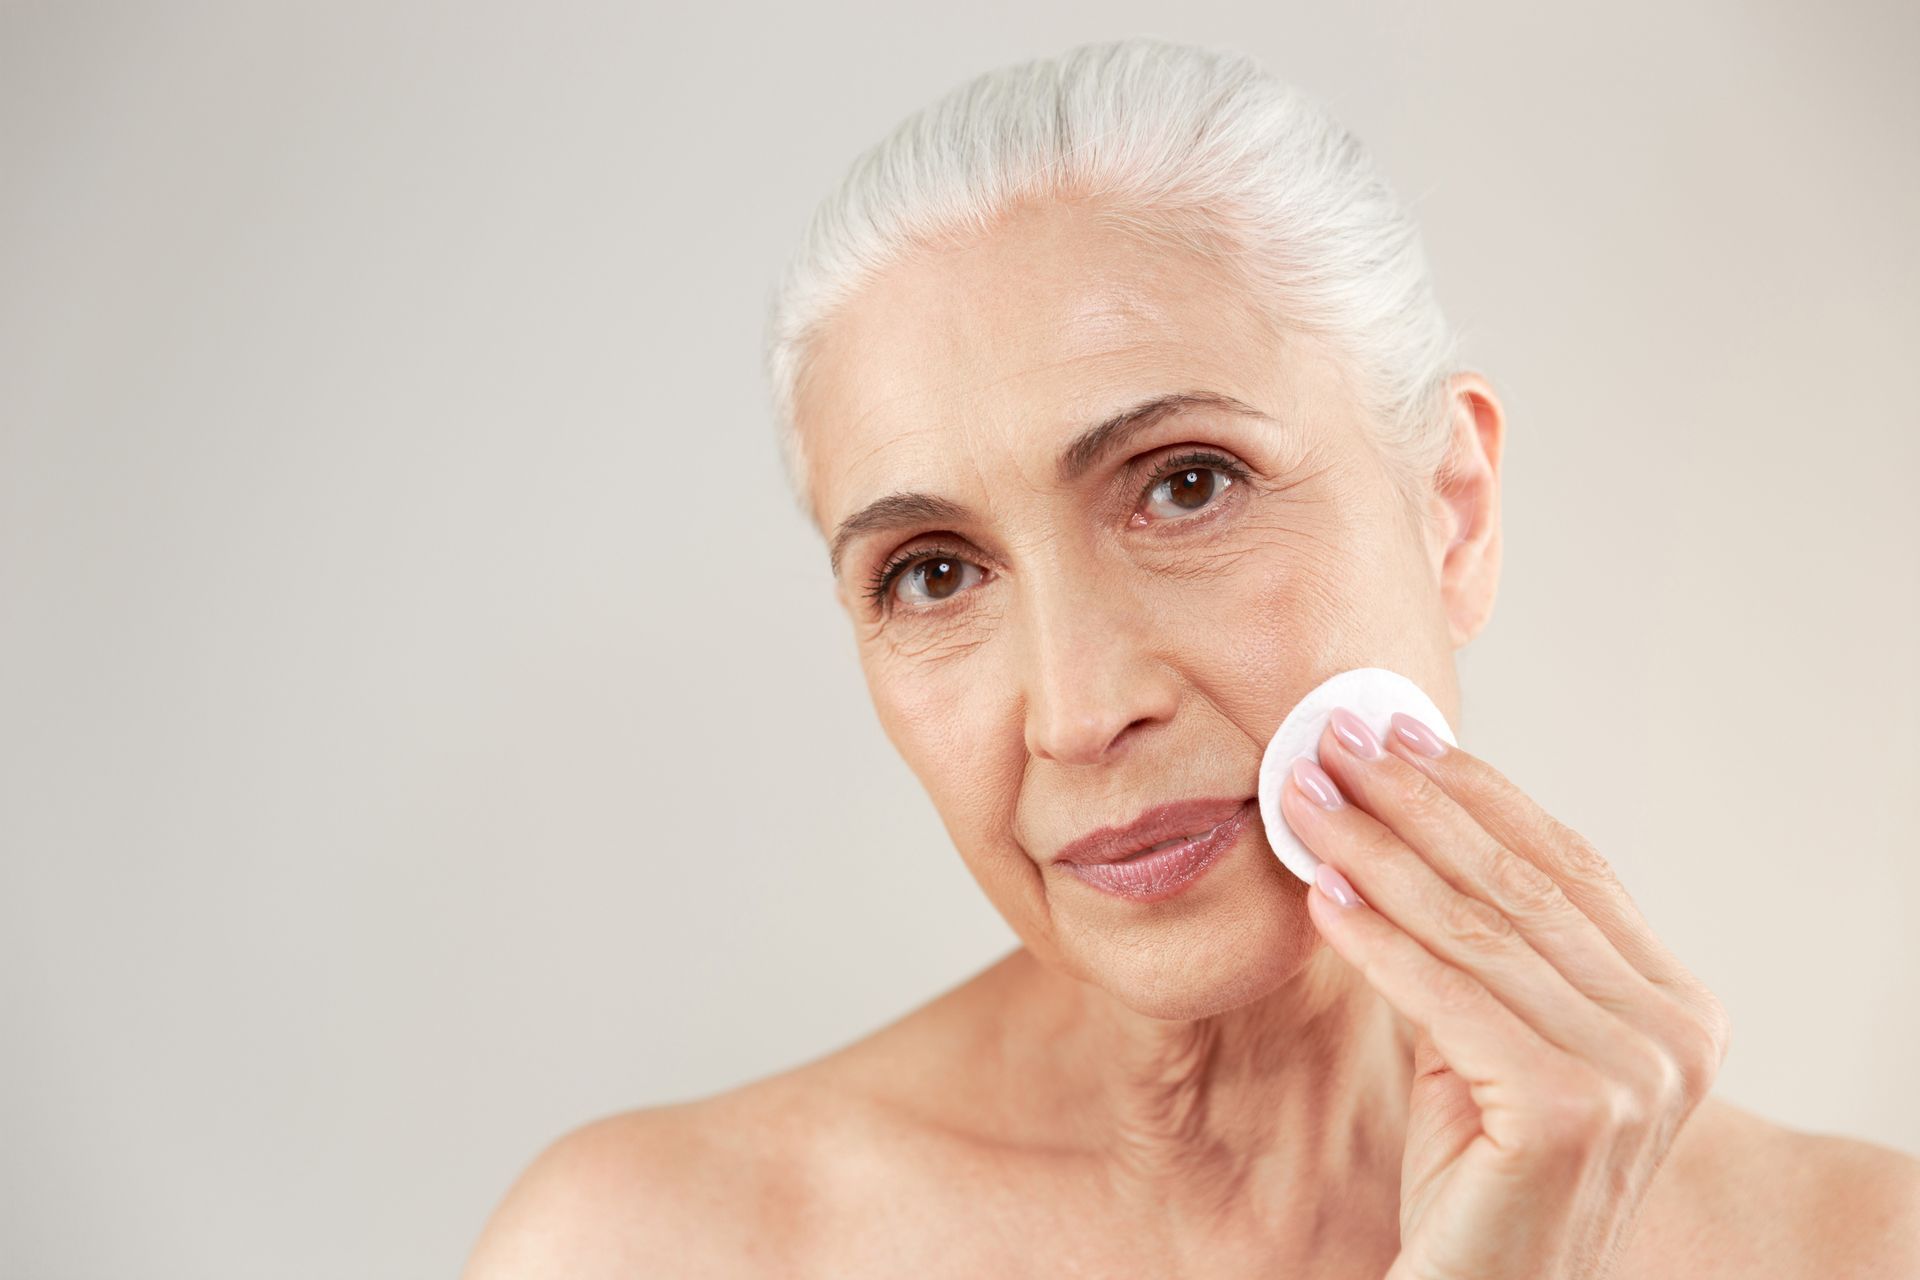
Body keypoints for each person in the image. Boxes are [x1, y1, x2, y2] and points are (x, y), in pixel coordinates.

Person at [464, 37, 1920, 1277]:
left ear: (1451, 512)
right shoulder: (650, 1247)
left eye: (1186, 486)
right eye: (934, 573)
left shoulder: (1855, 1248)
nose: (1085, 711)